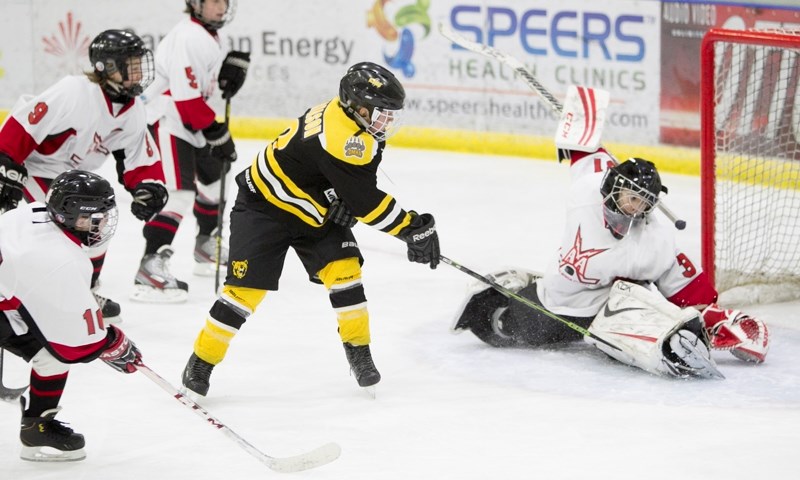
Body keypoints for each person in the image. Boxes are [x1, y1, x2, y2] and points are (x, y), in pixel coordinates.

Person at [180, 61, 440, 397]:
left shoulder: (353, 121)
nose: (386, 121)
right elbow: (367, 204)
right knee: (243, 295)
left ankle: (358, 353)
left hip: (313, 212)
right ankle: (201, 361)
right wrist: (411, 227)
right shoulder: (343, 137)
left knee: (346, 275)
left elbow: (351, 183)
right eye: (380, 112)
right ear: (357, 107)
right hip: (264, 209)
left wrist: (339, 196)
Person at [453, 146, 770, 379]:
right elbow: (589, 153)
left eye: (644, 203)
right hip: (557, 299)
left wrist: (716, 318)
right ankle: (516, 286)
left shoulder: (654, 240)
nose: (635, 208)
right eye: (631, 198)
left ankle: (650, 341)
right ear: (611, 189)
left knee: (627, 323)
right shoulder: (586, 191)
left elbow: (686, 285)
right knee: (502, 328)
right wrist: (578, 129)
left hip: (603, 312)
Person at [0, 29, 169, 323]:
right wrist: (6, 163)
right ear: (110, 68)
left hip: (70, 180)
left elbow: (140, 158)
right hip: (34, 169)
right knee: (53, 230)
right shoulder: (74, 92)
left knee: (97, 223)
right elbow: (23, 123)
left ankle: (83, 291)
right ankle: (38, 292)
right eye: (132, 64)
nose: (140, 71)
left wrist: (148, 188)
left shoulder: (132, 111)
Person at [0, 170, 142, 462]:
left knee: (45, 351)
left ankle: (38, 427)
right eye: (98, 216)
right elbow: (72, 345)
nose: (103, 222)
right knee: (53, 353)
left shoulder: (35, 212)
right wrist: (110, 342)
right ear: (74, 214)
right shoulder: (61, 259)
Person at [136, 0, 250, 303]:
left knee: (215, 179)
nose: (221, 7)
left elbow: (199, 90)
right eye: (214, 1)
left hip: (189, 120)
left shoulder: (211, 35)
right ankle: (149, 265)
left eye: (224, 2)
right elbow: (186, 100)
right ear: (195, 4)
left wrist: (223, 82)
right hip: (169, 118)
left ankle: (205, 245)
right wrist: (218, 132)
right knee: (180, 194)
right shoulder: (189, 36)